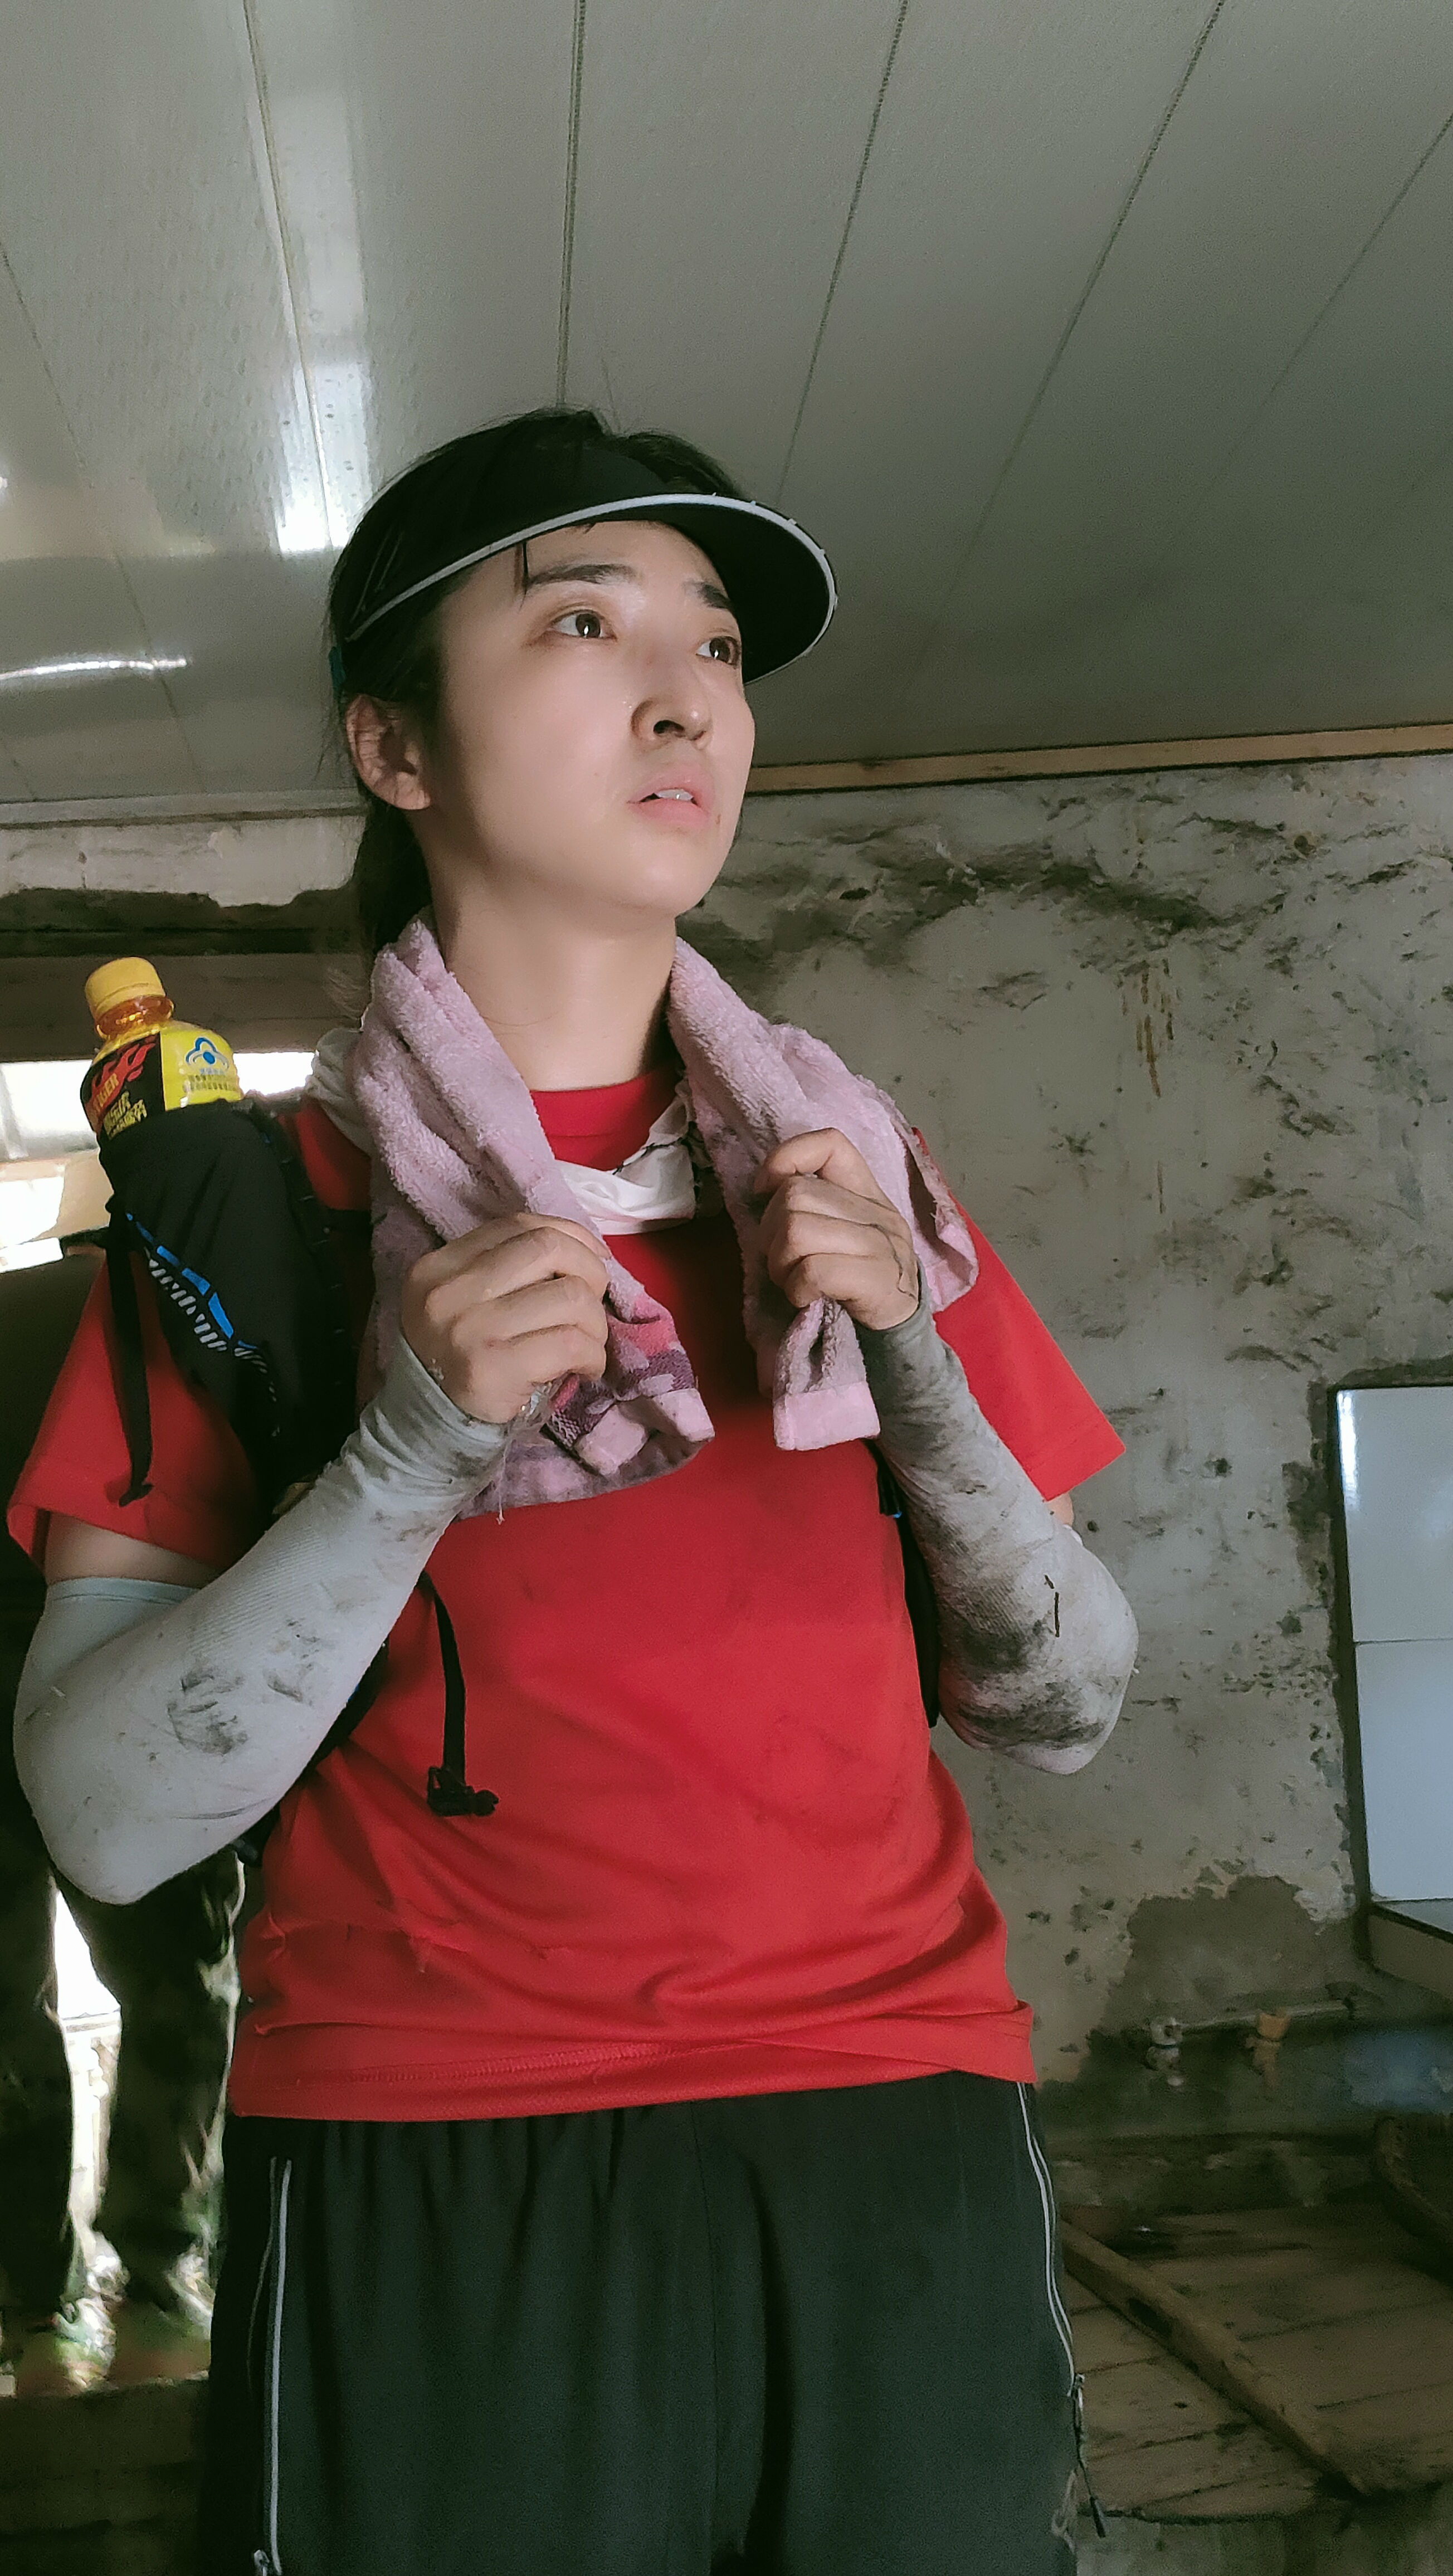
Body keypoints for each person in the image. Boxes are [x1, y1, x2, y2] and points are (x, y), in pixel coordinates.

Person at [10, 407, 1136, 2572]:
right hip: (439, 2148)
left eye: (714, 642)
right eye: (585, 623)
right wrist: (406, 1449)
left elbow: (1069, 1698)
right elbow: (107, 1811)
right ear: (393, 746)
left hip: (895, 2121)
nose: (686, 692)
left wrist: (910, 1357)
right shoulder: (257, 1214)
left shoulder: (852, 1178)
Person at [0, 1244, 236, 2396]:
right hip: (121, 1663)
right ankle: (159, 2273)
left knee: (9, 2007)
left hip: (92, 1647)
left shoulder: (82, 1304)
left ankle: (35, 2304)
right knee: (179, 1978)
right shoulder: (167, 1307)